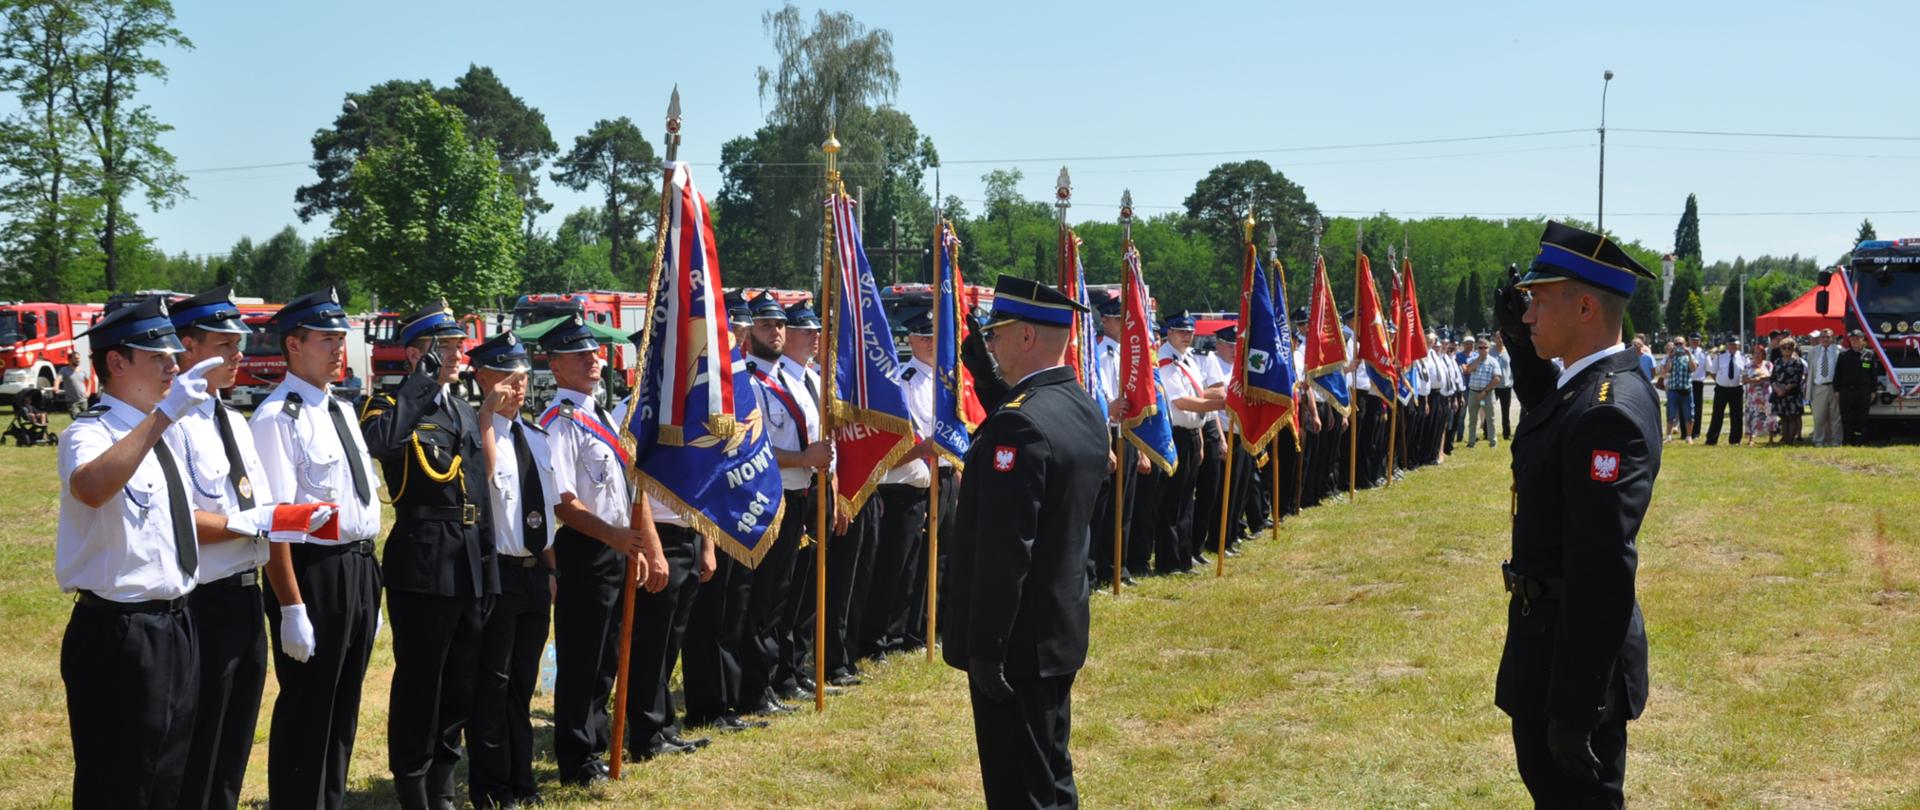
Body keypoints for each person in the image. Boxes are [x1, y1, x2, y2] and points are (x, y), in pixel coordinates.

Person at [1492, 221, 1660, 808]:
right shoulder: (1595, 387)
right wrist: (1520, 344)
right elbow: (1551, 416)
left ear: (1585, 305)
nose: (1529, 314)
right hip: (1548, 641)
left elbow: (1601, 567)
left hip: (1570, 656)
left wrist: (1575, 705)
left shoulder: (1606, 412)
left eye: (1538, 301)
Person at [944, 275, 1108, 809]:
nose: (991, 344)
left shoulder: (1019, 427)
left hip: (1015, 644)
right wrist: (986, 377)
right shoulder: (1080, 407)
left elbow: (1006, 552)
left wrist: (985, 649)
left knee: (1020, 790)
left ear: (1028, 338)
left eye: (998, 334)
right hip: (1056, 629)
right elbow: (1038, 434)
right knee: (1050, 773)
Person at [56, 296, 213, 809]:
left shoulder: (159, 431)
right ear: (117, 363)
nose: (173, 366)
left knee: (167, 775)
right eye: (158, 357)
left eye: (174, 356)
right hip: (119, 632)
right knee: (119, 782)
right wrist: (165, 416)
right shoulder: (91, 432)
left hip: (175, 624)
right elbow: (91, 487)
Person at [359, 302, 498, 809]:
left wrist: (489, 570)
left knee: (460, 682)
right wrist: (418, 383)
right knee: (421, 682)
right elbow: (384, 443)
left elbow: (479, 496)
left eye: (457, 345)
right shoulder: (386, 406)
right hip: (422, 562)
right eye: (444, 347)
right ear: (416, 353)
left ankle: (443, 785)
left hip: (466, 562)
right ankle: (412, 787)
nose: (457, 354)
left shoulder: (461, 410)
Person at [251, 288, 385, 810]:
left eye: (341, 338)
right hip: (313, 572)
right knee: (310, 708)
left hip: (357, 567)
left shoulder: (340, 409)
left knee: (344, 704)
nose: (338, 349)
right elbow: (276, 524)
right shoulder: (275, 418)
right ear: (293, 344)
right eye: (326, 339)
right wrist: (290, 607)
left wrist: (367, 591)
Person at [540, 315, 665, 784]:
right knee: (582, 657)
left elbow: (628, 488)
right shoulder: (559, 422)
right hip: (586, 548)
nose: (593, 361)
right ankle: (576, 757)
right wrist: (612, 537)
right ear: (555, 366)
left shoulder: (602, 414)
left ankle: (595, 744)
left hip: (616, 547)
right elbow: (564, 503)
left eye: (594, 354)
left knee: (609, 655)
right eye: (580, 356)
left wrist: (638, 546)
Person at [167, 286, 278, 810]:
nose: (239, 355)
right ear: (186, 347)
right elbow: (177, 520)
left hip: (245, 595)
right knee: (198, 744)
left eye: (240, 343)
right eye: (224, 343)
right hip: (202, 601)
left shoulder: (232, 419)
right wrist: (247, 523)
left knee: (234, 742)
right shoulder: (168, 425)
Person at [464, 332, 556, 809]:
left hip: (534, 573)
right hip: (497, 574)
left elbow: (548, 510)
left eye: (521, 377)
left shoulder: (536, 437)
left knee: (522, 684)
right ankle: (491, 786)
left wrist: (552, 569)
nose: (517, 387)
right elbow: (482, 480)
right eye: (506, 376)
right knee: (492, 686)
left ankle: (522, 780)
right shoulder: (478, 433)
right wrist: (485, 416)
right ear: (481, 377)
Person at [1833, 330, 1881, 446]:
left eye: (1857, 338)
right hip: (1846, 391)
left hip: (1863, 391)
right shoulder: (1843, 355)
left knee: (1861, 418)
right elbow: (1837, 374)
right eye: (1852, 339)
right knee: (1847, 418)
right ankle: (1848, 441)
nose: (1854, 341)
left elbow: (1874, 375)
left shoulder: (1869, 355)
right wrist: (1836, 390)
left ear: (1863, 339)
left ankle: (1860, 441)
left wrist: (1873, 391)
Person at [1704, 336, 1748, 446]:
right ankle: (1711, 440)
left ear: (1739, 345)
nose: (1733, 346)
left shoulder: (1743, 358)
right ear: (1727, 345)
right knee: (1717, 415)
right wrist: (1721, 381)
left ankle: (1735, 440)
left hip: (1737, 389)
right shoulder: (1720, 357)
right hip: (1721, 389)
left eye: (1735, 344)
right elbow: (1713, 372)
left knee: (1737, 416)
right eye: (1731, 344)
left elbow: (1746, 373)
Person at [1465, 338, 1503, 448]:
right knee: (1472, 418)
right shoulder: (1473, 360)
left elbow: (1497, 378)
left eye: (1485, 347)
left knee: (1490, 418)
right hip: (1473, 393)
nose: (1482, 350)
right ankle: (1471, 442)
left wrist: (1484, 391)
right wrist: (1478, 360)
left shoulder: (1493, 361)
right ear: (1477, 349)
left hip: (1487, 394)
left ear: (1489, 348)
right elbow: (1468, 371)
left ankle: (1493, 442)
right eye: (1480, 348)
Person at [1806, 329, 1842, 447]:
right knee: (1819, 417)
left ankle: (1835, 441)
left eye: (1828, 337)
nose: (1825, 339)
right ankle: (1819, 441)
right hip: (1818, 387)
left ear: (1833, 338)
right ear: (1819, 338)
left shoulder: (1840, 350)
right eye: (1823, 337)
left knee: (1835, 416)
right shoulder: (1813, 351)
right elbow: (1810, 371)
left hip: (1834, 387)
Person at [1769, 339, 1807, 445]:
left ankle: (1790, 440)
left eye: (1789, 348)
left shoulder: (1797, 362)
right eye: (1784, 348)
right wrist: (1777, 389)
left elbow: (1797, 379)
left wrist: (1784, 389)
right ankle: (1784, 439)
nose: (1786, 350)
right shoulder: (1777, 362)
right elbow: (1773, 378)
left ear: (1793, 349)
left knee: (1792, 417)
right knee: (1783, 417)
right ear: (1780, 349)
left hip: (1792, 394)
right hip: (1779, 394)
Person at [1739, 345, 1775, 446]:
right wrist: (1755, 380)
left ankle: (1771, 438)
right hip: (1753, 395)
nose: (1757, 355)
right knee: (1752, 414)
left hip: (1766, 394)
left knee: (1769, 414)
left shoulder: (1768, 364)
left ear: (1764, 354)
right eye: (1755, 353)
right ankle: (1751, 438)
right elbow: (1744, 379)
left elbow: (1771, 375)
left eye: (1760, 353)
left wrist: (1759, 378)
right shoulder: (1748, 365)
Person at [1661, 339, 1694, 444]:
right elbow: (1666, 370)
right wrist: (1670, 357)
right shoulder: (1671, 357)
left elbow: (1693, 368)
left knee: (1689, 414)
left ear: (1685, 344)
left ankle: (1689, 437)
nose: (1679, 346)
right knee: (1670, 414)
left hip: (1686, 390)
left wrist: (1689, 355)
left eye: (1681, 344)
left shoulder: (1688, 356)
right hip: (1673, 390)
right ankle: (1668, 436)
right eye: (1677, 344)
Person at [1493, 332, 1515, 440]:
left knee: (1505, 411)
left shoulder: (1509, 351)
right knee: (1490, 410)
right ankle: (1488, 432)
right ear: (1494, 339)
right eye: (1497, 338)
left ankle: (1506, 433)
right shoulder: (1490, 352)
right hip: (1493, 386)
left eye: (1501, 337)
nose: (1500, 339)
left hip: (1506, 387)